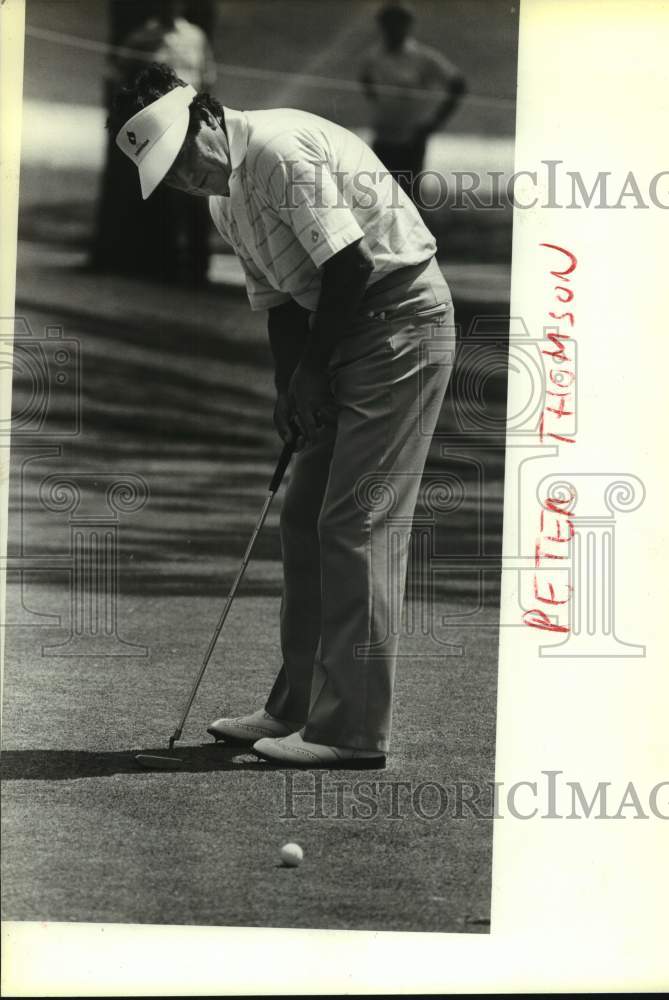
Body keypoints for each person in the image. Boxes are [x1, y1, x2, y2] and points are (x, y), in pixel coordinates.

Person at [109, 64, 456, 769]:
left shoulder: (275, 149)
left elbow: (353, 265)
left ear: (206, 117)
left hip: (399, 324)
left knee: (354, 521)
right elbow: (277, 305)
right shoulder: (224, 200)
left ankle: (351, 730)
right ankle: (298, 705)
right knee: (305, 516)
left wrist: (311, 373)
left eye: (182, 158)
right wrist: (287, 390)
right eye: (167, 175)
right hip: (341, 332)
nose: (183, 179)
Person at [93, 1, 216, 284]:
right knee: (167, 195)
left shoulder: (195, 36)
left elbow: (208, 76)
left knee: (197, 193)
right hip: (159, 126)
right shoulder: (143, 36)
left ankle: (199, 266)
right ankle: (169, 264)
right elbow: (116, 73)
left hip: (190, 122)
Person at [360, 1, 467, 203]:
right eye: (388, 24)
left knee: (409, 198)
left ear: (407, 25)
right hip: (383, 137)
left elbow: (458, 84)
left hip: (411, 139)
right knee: (380, 197)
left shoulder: (422, 57)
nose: (392, 29)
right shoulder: (373, 57)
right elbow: (366, 81)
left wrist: (434, 122)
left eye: (398, 23)